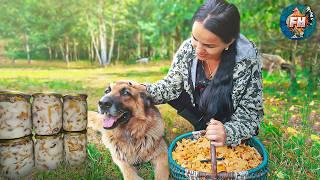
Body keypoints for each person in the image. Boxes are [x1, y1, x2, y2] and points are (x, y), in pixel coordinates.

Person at [136, 0, 263, 147]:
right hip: (200, 107)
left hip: (228, 116)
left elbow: (251, 115)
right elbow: (172, 85)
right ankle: (202, 124)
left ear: (229, 42)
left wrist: (228, 132)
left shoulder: (246, 61)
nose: (198, 50)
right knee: (176, 93)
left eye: (209, 46)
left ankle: (217, 129)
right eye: (195, 38)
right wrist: (144, 91)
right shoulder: (188, 49)